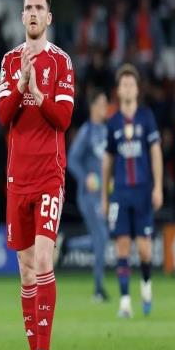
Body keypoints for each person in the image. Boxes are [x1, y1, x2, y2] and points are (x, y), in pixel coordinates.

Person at [0, 0, 74, 350]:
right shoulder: (10, 61)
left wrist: (38, 93)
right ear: (21, 16)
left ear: (49, 18)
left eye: (39, 8)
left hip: (48, 175)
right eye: (27, 7)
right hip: (17, 178)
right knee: (26, 270)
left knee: (44, 260)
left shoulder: (61, 62)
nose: (32, 13)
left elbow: (63, 119)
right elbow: (2, 115)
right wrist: (21, 84)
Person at [102, 64, 163, 318]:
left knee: (145, 249)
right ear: (118, 90)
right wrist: (105, 196)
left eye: (131, 84)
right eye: (123, 84)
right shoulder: (112, 122)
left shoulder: (146, 117)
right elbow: (107, 160)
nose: (127, 88)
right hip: (121, 192)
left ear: (137, 89)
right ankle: (125, 302)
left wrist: (158, 187)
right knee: (122, 247)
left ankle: (146, 287)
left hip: (143, 192)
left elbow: (155, 152)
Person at [68, 90, 109, 302]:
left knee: (101, 238)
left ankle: (68, 246)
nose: (105, 108)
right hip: (88, 196)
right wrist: (86, 178)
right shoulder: (87, 131)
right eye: (102, 104)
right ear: (93, 107)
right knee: (101, 237)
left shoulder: (106, 130)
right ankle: (98, 289)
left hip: (103, 196)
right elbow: (72, 160)